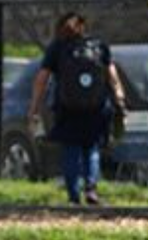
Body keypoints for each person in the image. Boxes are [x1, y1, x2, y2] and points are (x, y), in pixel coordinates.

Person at [28, 11, 126, 205]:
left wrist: (34, 107)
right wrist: (120, 101)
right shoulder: (99, 46)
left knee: (71, 150)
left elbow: (42, 79)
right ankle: (91, 189)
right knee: (92, 149)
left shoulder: (58, 48)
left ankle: (73, 195)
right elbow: (112, 77)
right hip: (96, 108)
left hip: (67, 109)